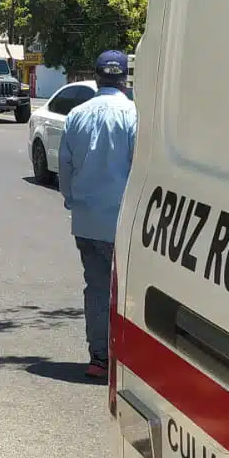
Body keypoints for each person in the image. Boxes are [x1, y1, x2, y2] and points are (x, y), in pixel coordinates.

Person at [58, 50, 138, 381]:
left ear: (96, 77)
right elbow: (139, 168)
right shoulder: (134, 115)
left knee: (96, 287)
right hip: (124, 222)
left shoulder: (76, 114)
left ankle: (99, 358)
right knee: (129, 291)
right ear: (124, 79)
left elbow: (64, 166)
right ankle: (127, 361)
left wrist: (72, 199)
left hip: (87, 221)